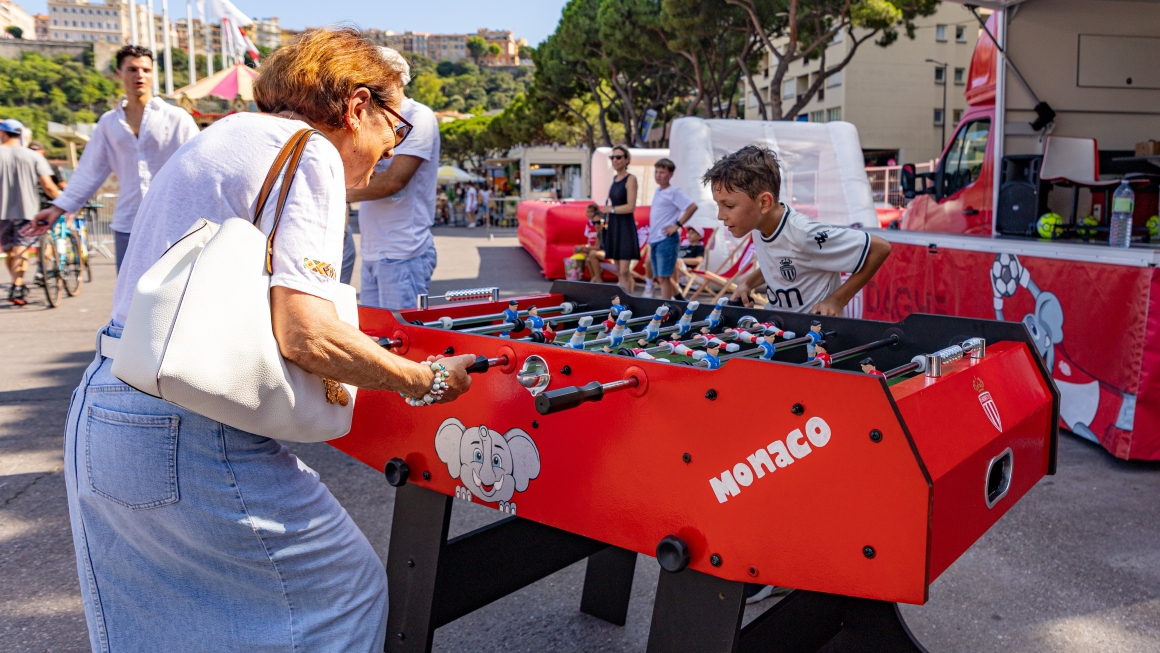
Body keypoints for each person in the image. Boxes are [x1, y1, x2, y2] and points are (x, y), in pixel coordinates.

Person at [34, 29, 478, 652]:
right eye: (394, 126)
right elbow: (307, 334)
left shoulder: (222, 134)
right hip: (187, 422)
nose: (390, 148)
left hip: (106, 405)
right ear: (357, 106)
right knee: (346, 594)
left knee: (167, 631)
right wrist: (422, 380)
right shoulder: (311, 151)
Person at [34, 45, 199, 273]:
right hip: (128, 222)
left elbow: (199, 165)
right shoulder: (109, 123)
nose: (140, 75)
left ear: (153, 74)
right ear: (119, 74)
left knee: (176, 288)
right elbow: (89, 171)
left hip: (173, 221)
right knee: (128, 290)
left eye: (146, 70)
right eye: (132, 69)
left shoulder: (177, 117)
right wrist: (57, 208)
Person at [702, 145, 891, 315]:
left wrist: (837, 300)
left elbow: (879, 248)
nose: (720, 215)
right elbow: (777, 266)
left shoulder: (805, 234)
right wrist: (747, 283)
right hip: (780, 327)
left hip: (816, 334)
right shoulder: (760, 226)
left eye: (729, 206)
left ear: (764, 202)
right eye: (719, 205)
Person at [347, 47, 441, 310]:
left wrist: (336, 193)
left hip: (403, 252)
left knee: (401, 331)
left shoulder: (418, 116)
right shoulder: (370, 117)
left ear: (396, 78)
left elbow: (393, 182)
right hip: (374, 251)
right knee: (376, 331)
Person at [1, 119, 60, 305]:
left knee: (9, 250)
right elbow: (48, 186)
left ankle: (17, 283)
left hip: (1, 212)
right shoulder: (33, 156)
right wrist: (63, 202)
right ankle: (18, 285)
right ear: (20, 135)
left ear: (3, 133)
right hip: (27, 209)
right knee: (22, 248)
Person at [648, 158, 697, 300]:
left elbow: (692, 206)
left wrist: (677, 225)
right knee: (661, 277)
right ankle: (681, 301)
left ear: (670, 174)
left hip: (666, 239)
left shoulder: (674, 191)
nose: (658, 175)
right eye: (656, 172)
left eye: (662, 172)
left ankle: (665, 308)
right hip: (655, 239)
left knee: (664, 277)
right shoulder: (658, 190)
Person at [603, 144, 639, 293]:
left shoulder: (631, 179)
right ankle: (627, 298)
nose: (615, 160)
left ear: (627, 159)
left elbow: (631, 206)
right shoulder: (614, 178)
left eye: (618, 157)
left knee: (624, 271)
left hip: (625, 226)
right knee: (619, 270)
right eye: (612, 157)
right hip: (614, 226)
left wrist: (611, 209)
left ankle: (628, 300)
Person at [575, 203, 606, 281]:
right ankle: (594, 279)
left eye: (599, 222)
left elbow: (598, 247)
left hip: (610, 254)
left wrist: (585, 247)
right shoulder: (599, 232)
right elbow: (597, 246)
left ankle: (597, 279)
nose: (596, 225)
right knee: (588, 254)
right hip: (600, 252)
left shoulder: (608, 230)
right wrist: (584, 248)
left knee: (591, 254)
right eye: (594, 223)